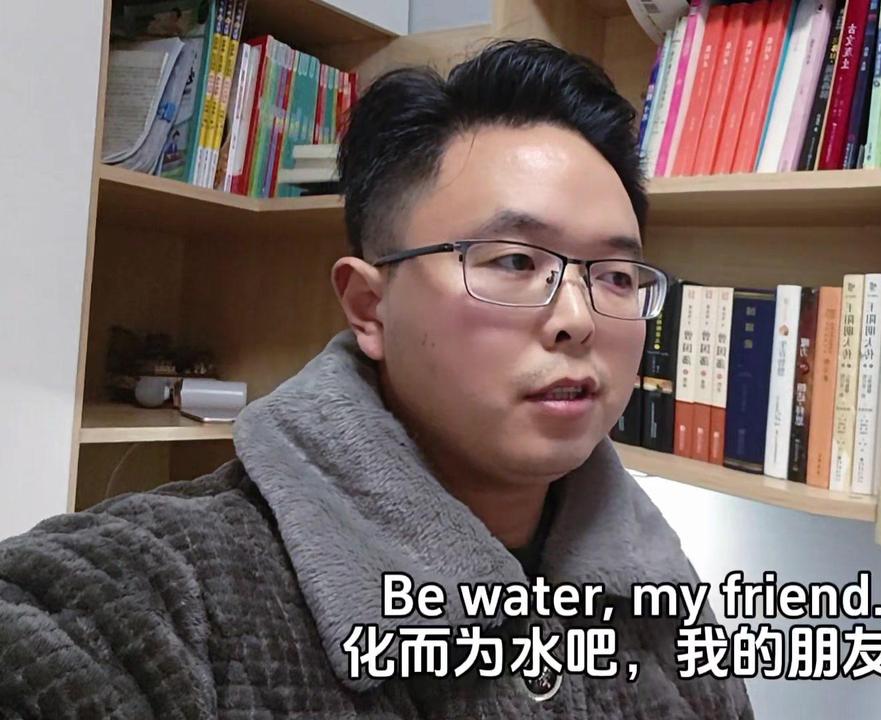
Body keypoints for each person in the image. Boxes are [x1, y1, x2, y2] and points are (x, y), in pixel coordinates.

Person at [0, 39, 753, 718]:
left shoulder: (665, 593)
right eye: (515, 261)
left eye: (616, 275)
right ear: (369, 307)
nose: (578, 319)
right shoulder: (160, 597)